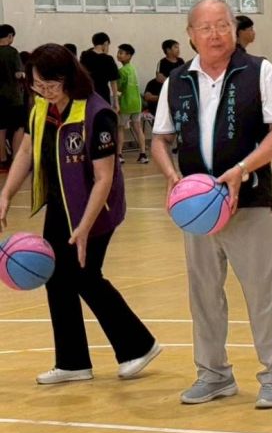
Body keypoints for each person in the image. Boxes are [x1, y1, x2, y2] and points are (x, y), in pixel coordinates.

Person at [151, 0, 272, 408]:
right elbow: (160, 138)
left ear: (234, 28)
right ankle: (213, 374)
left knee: (263, 292)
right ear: (190, 34)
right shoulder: (177, 80)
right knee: (204, 295)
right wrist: (171, 175)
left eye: (222, 25)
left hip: (249, 200)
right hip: (196, 208)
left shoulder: (260, 72)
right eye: (205, 27)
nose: (215, 34)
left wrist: (243, 168)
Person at [0, 44, 161, 384]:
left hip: (96, 208)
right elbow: (26, 150)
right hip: (60, 204)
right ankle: (72, 362)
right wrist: (5, 194)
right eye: (37, 85)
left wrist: (85, 227)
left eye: (50, 85)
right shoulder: (40, 106)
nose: (44, 91)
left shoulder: (97, 114)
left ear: (68, 77)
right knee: (56, 278)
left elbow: (104, 178)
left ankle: (138, 345)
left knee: (84, 275)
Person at [235, 16, 272, 198]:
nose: (254, 33)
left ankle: (269, 183)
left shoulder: (252, 61)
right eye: (250, 29)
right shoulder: (241, 61)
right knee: (254, 149)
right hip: (245, 115)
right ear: (239, 32)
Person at [0, 24, 26, 171]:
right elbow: (18, 74)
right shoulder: (12, 52)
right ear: (10, 36)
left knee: (1, 128)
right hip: (13, 96)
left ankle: (2, 159)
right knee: (18, 127)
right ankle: (16, 158)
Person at [115, 43, 147, 163]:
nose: (118, 55)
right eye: (118, 52)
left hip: (126, 103)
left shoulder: (122, 71)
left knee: (120, 128)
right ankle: (143, 154)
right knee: (138, 128)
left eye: (121, 53)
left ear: (129, 56)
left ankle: (119, 155)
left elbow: (119, 87)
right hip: (137, 103)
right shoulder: (133, 69)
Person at [80, 32, 120, 108]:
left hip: (87, 94)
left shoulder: (85, 56)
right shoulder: (108, 59)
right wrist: (116, 101)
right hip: (103, 94)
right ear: (105, 43)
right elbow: (113, 82)